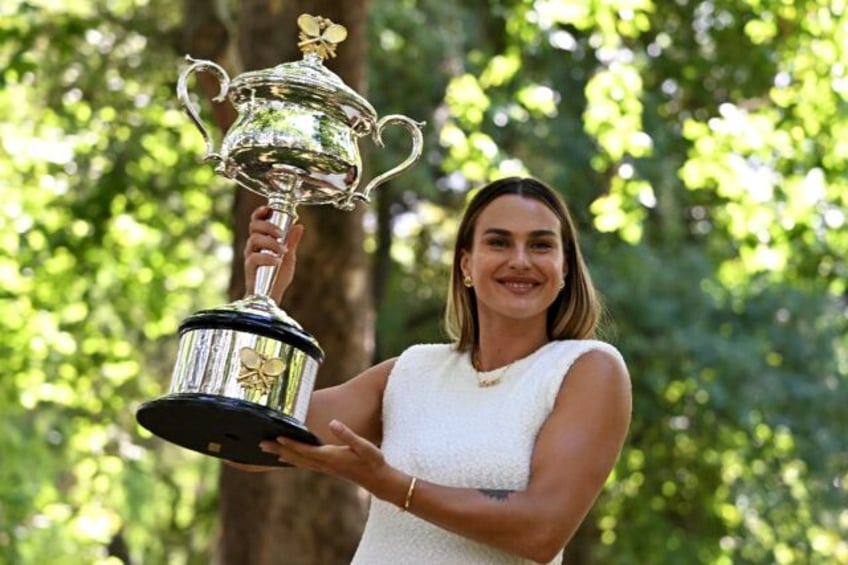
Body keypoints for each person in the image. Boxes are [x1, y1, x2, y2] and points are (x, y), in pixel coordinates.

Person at [239, 176, 632, 564]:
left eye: (541, 245)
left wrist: (391, 486)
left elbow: (541, 530)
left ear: (564, 269)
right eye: (498, 242)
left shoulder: (585, 369)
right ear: (466, 264)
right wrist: (263, 303)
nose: (520, 260)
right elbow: (246, 442)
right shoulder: (412, 371)